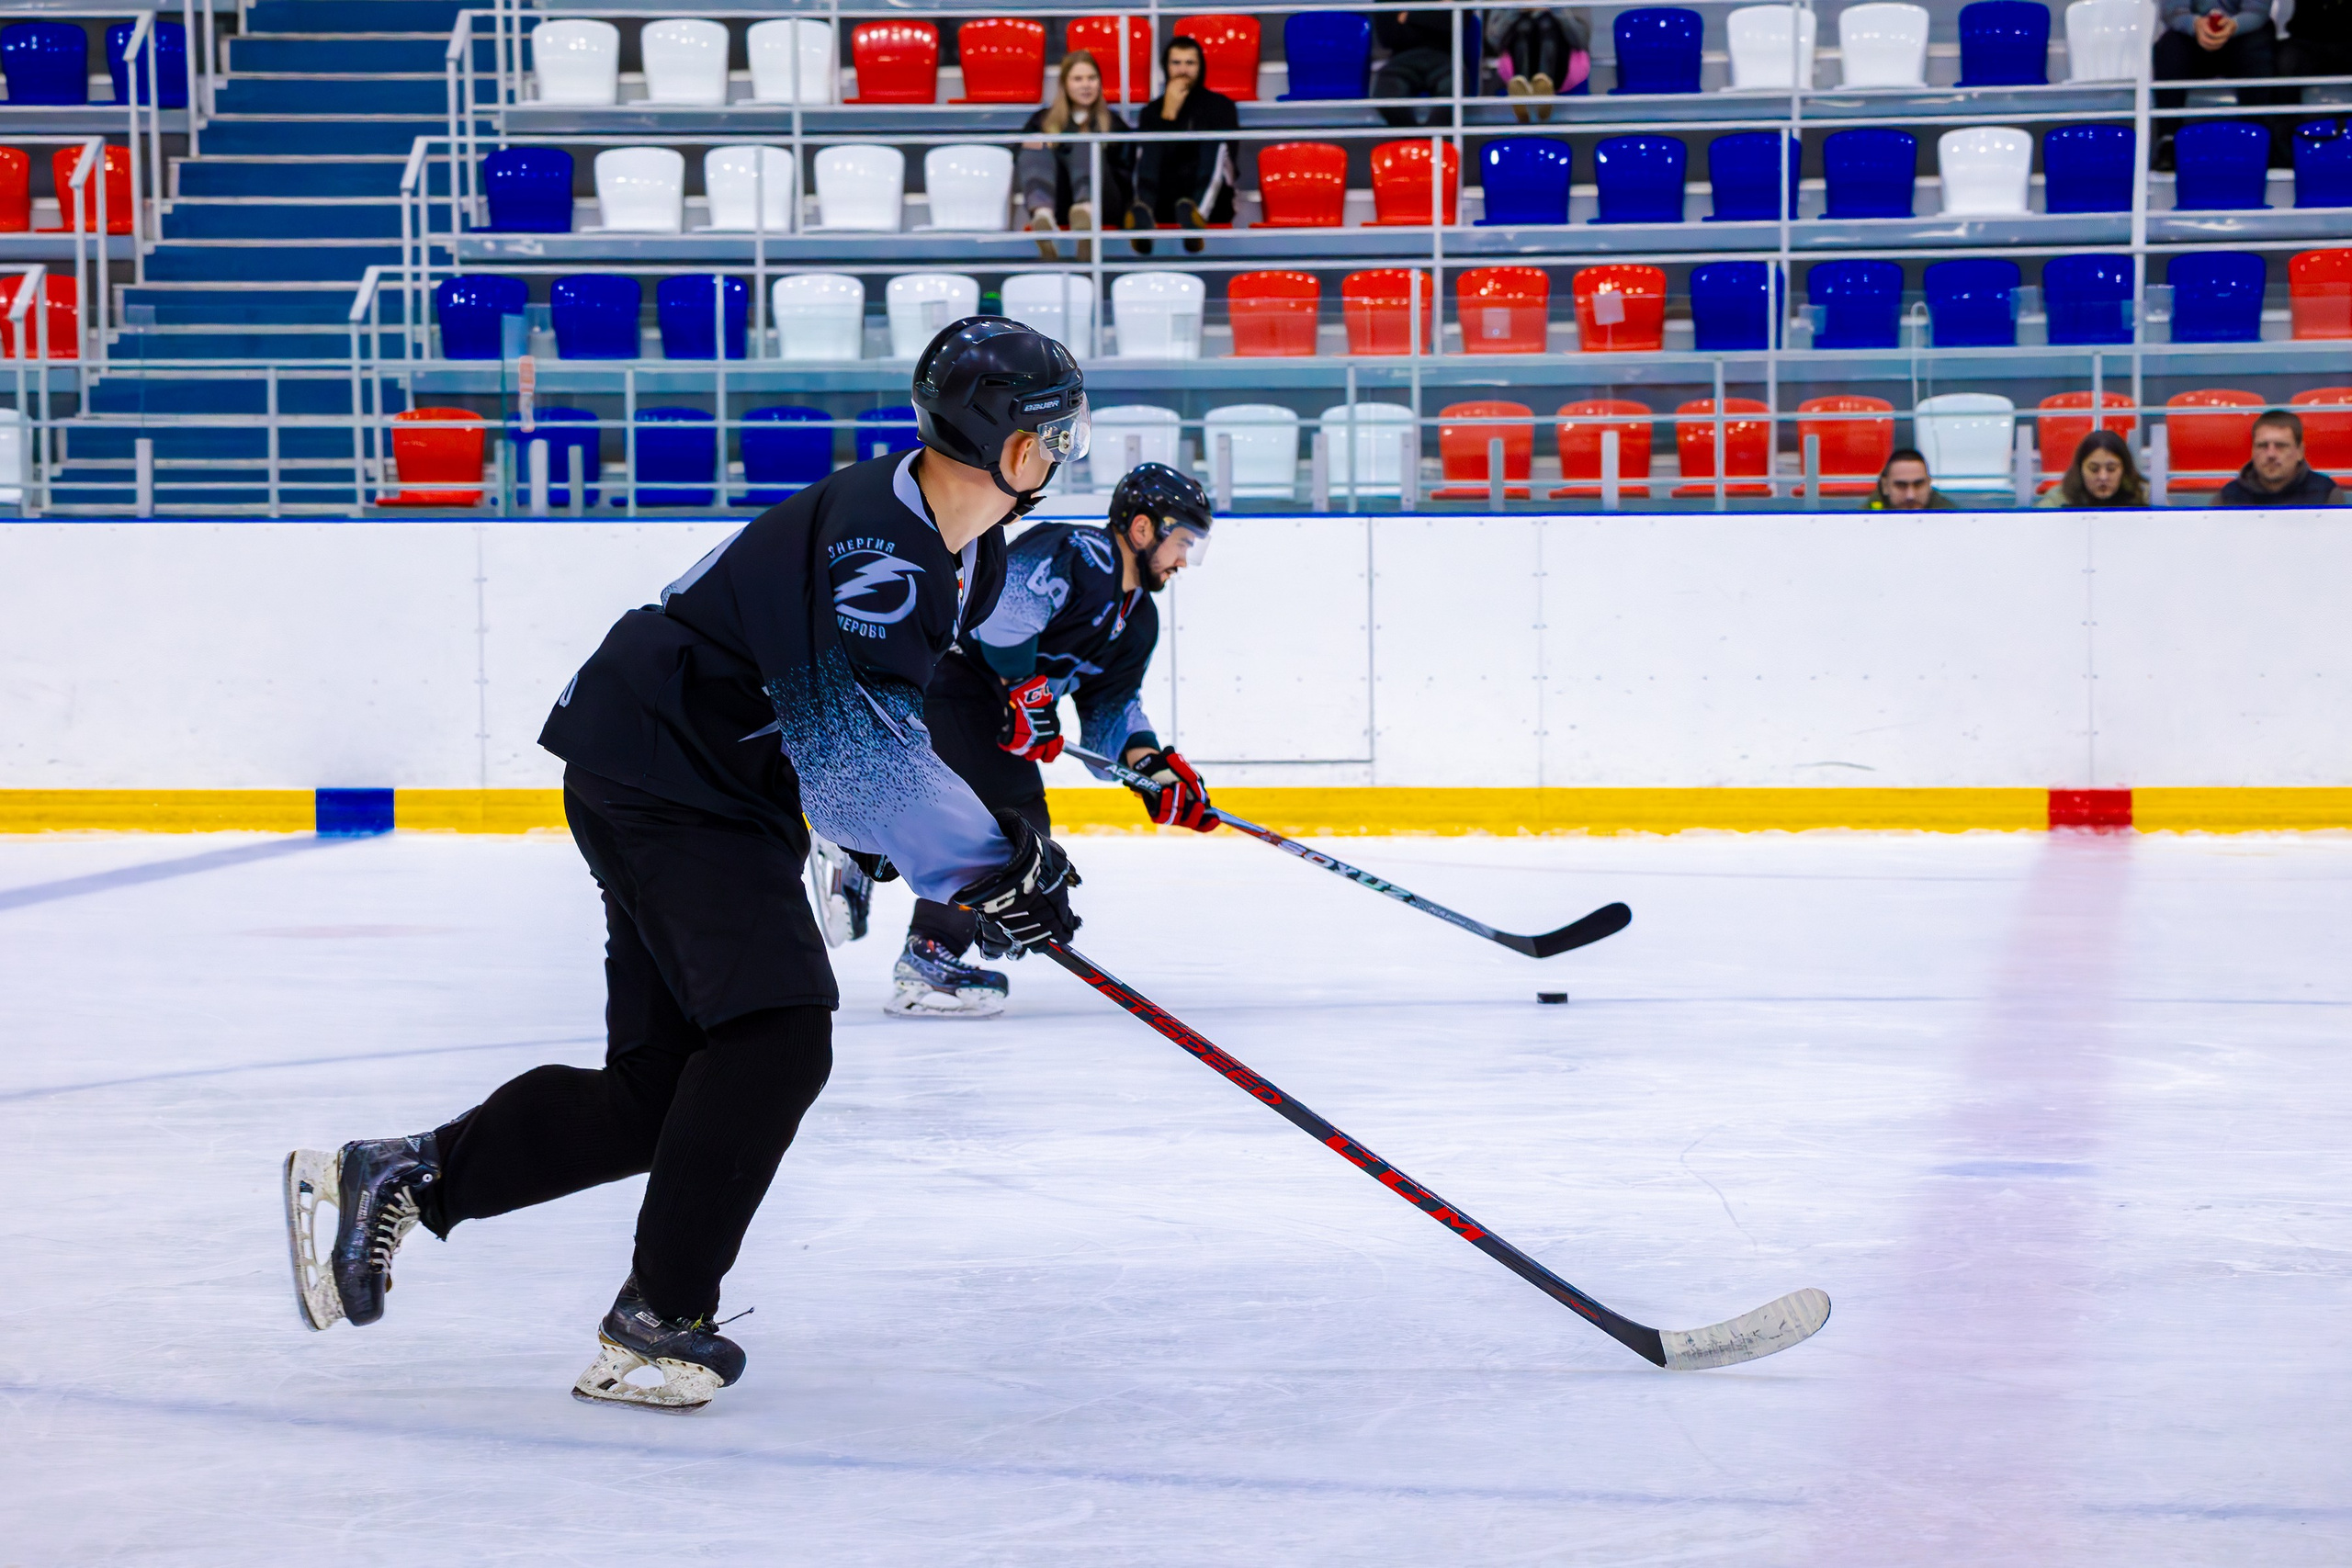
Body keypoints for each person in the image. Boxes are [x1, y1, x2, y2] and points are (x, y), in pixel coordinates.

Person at [281, 318, 1093, 1413]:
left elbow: (870, 729)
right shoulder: (881, 548)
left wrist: (981, 845)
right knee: (777, 1034)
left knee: (661, 1089)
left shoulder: (955, 539)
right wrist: (988, 866)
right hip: (668, 777)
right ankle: (657, 1320)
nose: (1063, 453)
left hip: (689, 775)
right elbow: (856, 758)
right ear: (997, 437)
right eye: (1052, 433)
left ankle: (409, 1174)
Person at [888, 462, 1217, 1017]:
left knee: (1015, 829)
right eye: (1182, 541)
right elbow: (998, 614)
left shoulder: (1139, 621)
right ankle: (926, 960)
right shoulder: (1078, 552)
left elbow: (1111, 707)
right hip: (947, 678)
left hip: (991, 708)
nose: (1184, 560)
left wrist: (1154, 769)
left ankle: (868, 848)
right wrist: (1026, 689)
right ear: (1143, 530)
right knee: (1008, 827)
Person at [1126, 35, 1239, 254]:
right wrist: (1167, 115)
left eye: (1190, 63)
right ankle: (1144, 218)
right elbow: (1151, 161)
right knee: (1149, 144)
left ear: (1201, 67)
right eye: (1176, 63)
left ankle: (1197, 218)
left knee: (1213, 143)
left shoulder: (1221, 106)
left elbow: (1228, 159)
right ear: (1166, 67)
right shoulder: (1152, 111)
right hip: (1166, 198)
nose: (1183, 70)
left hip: (1215, 199)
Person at [2154, 0, 2295, 166]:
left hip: (2244, 36)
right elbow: (2174, 10)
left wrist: (2233, 26)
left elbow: (2258, 11)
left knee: (2258, 46)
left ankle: (2258, 138)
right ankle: (2168, 140)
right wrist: (2196, 25)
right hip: (2193, 38)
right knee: (2170, 47)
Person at [1019, 50, 1129, 262]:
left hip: (1104, 202)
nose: (1086, 85)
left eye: (1091, 78)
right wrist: (1038, 141)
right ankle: (1043, 218)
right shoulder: (1041, 120)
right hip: (1061, 201)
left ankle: (1086, 212)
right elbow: (1020, 155)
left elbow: (1126, 172)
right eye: (1078, 79)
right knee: (1034, 145)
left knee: (1085, 142)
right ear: (1065, 84)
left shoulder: (1114, 124)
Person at [2216, 408, 2344, 504]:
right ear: (2252, 451)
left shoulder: (2326, 495)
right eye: (2262, 445)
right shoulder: (2228, 498)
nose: (2271, 454)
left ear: (2300, 452)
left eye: (2281, 446)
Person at [1487, 9, 1591, 123]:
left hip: (1562, 65)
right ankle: (1522, 90)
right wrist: (1517, 9)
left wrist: (1555, 8)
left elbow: (1582, 39)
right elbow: (1494, 40)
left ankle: (1544, 88)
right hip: (1516, 62)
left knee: (1546, 24)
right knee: (1524, 26)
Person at [1373, 10, 1463, 127]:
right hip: (1401, 58)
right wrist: (1437, 11)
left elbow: (1456, 24)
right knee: (1386, 93)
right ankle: (1416, 141)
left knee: (1456, 86)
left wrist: (1409, 15)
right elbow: (1387, 35)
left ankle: (1432, 142)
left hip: (1445, 58)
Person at [2037, 428, 2151, 507]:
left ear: (2124, 469)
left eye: (2111, 469)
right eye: (2094, 469)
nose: (2103, 477)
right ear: (2080, 470)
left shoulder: (2145, 497)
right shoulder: (2058, 500)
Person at [1863, 447, 1959, 510]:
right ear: (1885, 486)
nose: (1910, 496)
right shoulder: (1863, 520)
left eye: (1918, 485)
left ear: (1929, 484)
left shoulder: (1951, 518)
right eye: (1901, 485)